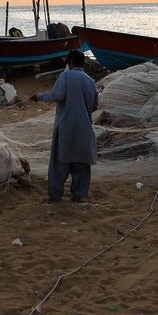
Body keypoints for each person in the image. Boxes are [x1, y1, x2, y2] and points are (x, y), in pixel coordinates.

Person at [30, 50, 99, 203]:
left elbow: (57, 96)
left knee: (59, 164)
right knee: (81, 164)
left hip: (66, 129)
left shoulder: (66, 76)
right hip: (85, 130)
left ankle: (55, 196)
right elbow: (95, 106)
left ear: (71, 63)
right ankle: (77, 196)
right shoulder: (90, 81)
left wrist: (38, 96)